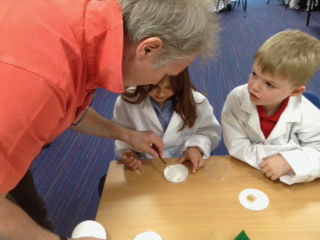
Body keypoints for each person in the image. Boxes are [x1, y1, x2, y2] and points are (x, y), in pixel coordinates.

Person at [0, 0, 220, 239]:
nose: (158, 84)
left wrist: (128, 135)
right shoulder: (42, 82)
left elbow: (72, 110)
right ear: (148, 49)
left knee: (30, 209)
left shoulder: (91, 28)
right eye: (166, 73)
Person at [221, 30, 320, 185]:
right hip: (246, 175)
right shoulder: (236, 99)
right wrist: (288, 155)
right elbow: (237, 146)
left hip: (287, 184)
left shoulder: (309, 113)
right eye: (254, 74)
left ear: (295, 91)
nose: (254, 87)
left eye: (269, 84)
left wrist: (289, 162)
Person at [113, 68, 222, 173]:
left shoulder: (197, 102)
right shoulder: (127, 101)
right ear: (143, 78)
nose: (161, 93)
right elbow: (121, 133)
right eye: (154, 86)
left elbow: (209, 131)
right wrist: (127, 151)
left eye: (169, 87)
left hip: (182, 162)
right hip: (144, 164)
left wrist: (196, 147)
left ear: (181, 83)